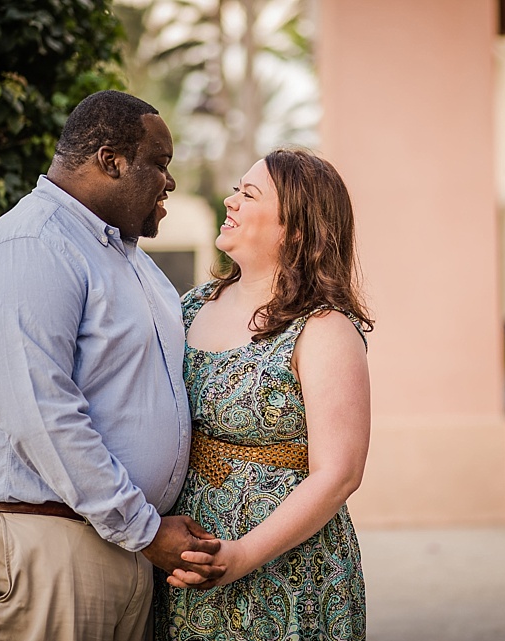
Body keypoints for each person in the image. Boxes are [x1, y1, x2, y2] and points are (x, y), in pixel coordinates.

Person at [0, 90, 224, 641]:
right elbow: (40, 414)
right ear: (110, 160)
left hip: (117, 539)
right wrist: (142, 528)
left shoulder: (125, 258)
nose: (169, 182)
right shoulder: (31, 246)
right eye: (159, 163)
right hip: (41, 540)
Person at [153, 148, 373, 640]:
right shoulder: (188, 307)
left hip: (285, 570)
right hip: (183, 564)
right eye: (237, 189)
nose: (230, 201)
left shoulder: (323, 328)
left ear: (295, 230)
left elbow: (339, 473)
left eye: (249, 195)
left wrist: (241, 555)